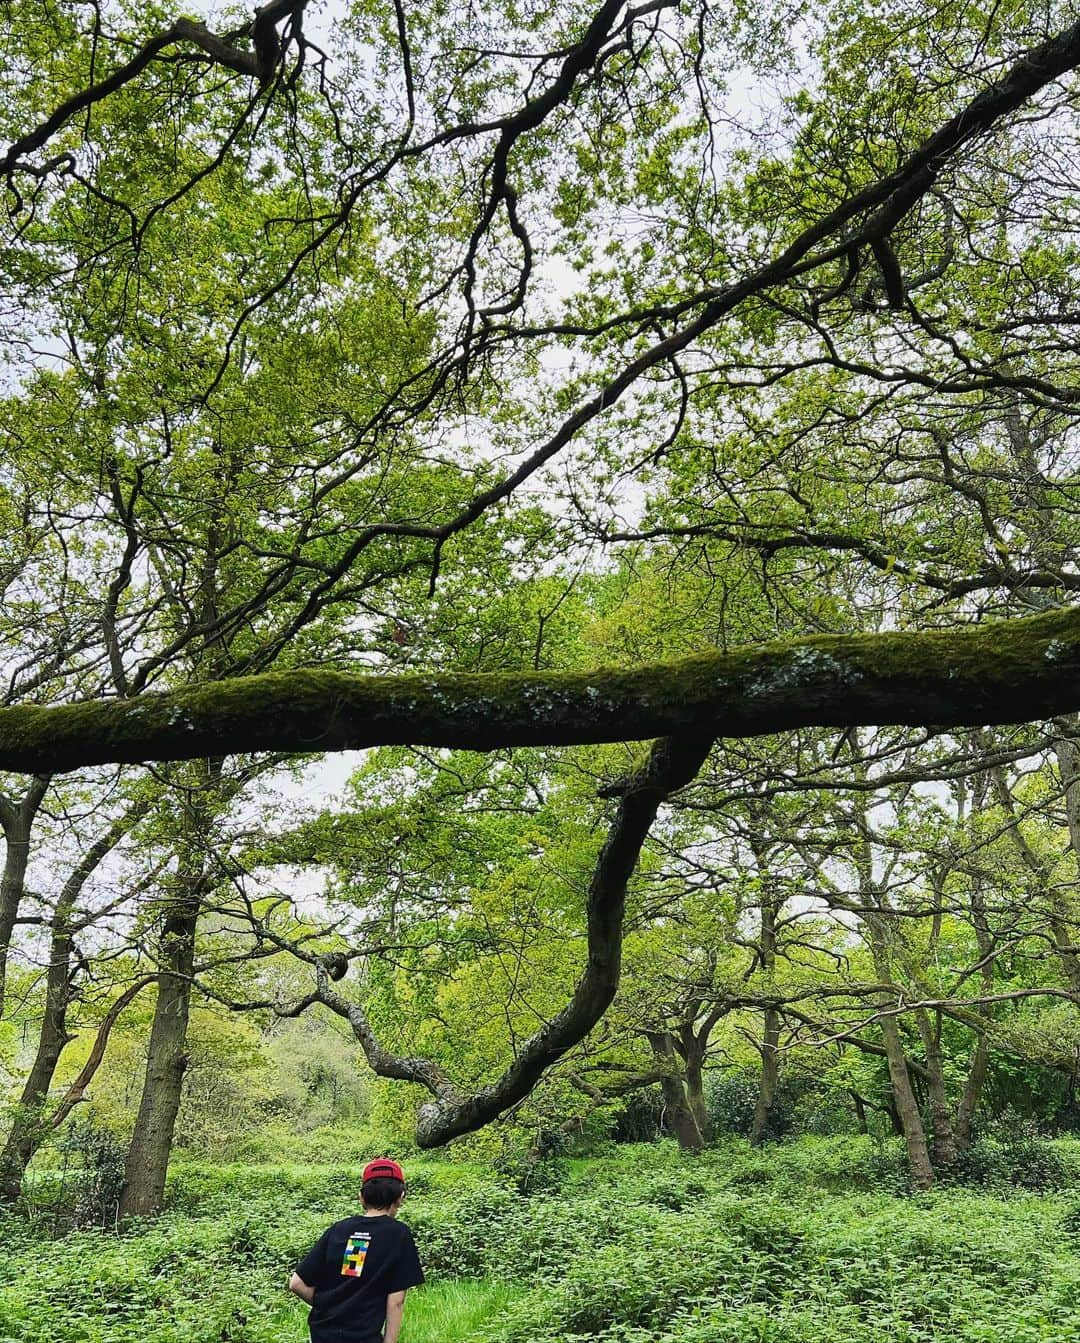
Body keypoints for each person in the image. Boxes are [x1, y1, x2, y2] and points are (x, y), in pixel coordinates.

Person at [289, 1157, 424, 1343]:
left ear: (361, 1197)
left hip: (322, 1334)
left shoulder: (339, 1229)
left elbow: (296, 1283)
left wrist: (330, 1308)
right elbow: (396, 1301)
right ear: (400, 1196)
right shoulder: (399, 1235)